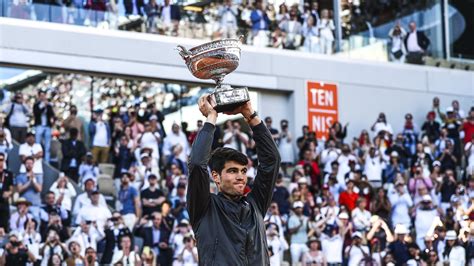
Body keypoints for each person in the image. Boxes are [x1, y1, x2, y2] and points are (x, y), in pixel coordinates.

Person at [187, 95, 280, 264]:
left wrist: (249, 114)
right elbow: (197, 164)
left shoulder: (255, 205)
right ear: (216, 176)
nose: (240, 177)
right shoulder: (204, 207)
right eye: (232, 171)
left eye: (243, 171)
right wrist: (211, 117)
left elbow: (271, 161)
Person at [33, 90, 55, 163]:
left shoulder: (48, 105)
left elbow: (52, 114)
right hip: (39, 126)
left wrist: (48, 106)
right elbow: (37, 113)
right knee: (38, 144)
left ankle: (47, 161)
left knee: (47, 145)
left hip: (47, 126)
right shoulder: (36, 105)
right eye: (41, 96)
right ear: (39, 96)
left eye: (44, 95)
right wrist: (42, 106)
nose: (43, 97)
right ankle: (37, 159)